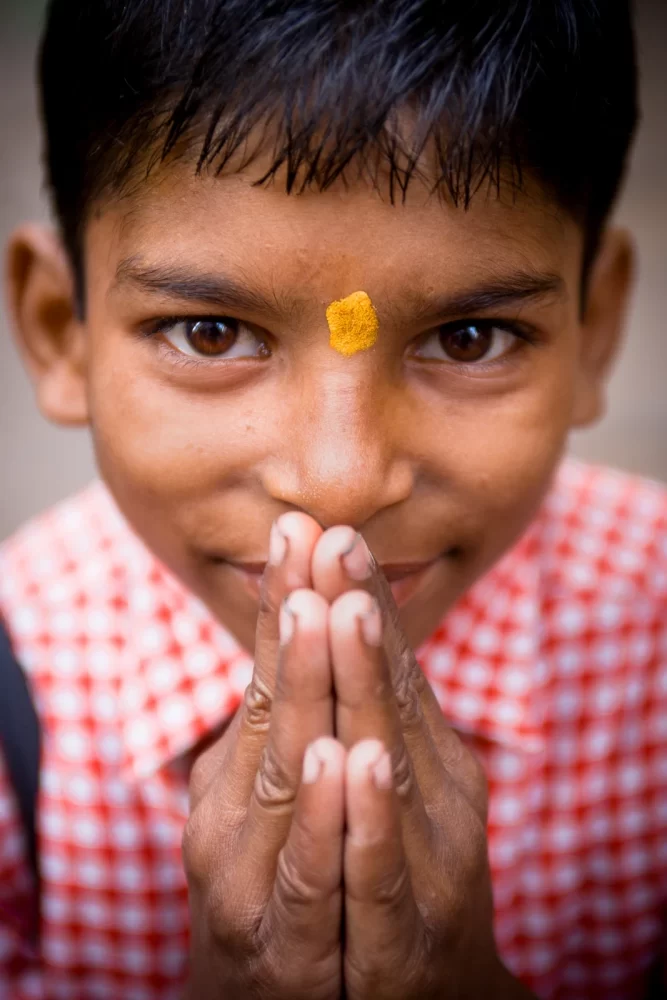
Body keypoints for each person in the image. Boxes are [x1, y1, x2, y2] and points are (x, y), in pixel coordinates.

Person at [0, 0, 665, 997]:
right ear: (60, 329)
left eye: (468, 338)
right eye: (213, 333)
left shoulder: (650, 642)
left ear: (594, 323)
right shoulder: (18, 723)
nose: (340, 482)